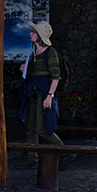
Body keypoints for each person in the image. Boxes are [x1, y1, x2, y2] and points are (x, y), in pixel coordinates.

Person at [18, 20, 63, 153]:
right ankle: (33, 159)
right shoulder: (32, 53)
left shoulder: (50, 53)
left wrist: (49, 96)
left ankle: (64, 152)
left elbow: (56, 77)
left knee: (42, 129)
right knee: (30, 127)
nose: (30, 34)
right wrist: (24, 69)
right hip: (32, 93)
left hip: (43, 94)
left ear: (40, 35)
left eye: (33, 32)